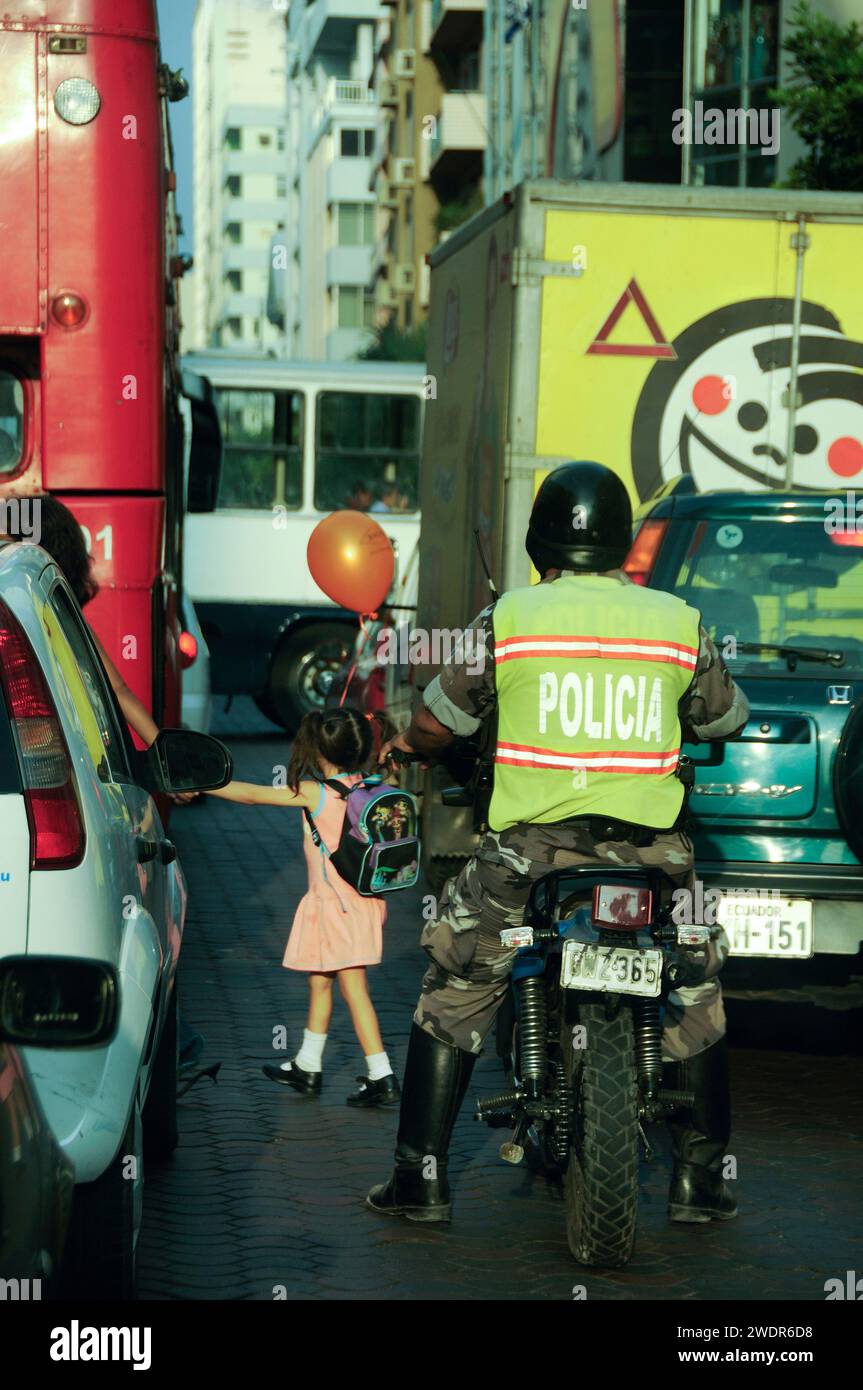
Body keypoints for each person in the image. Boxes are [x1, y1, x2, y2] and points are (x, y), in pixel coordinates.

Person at [367, 461, 751, 1225]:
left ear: (541, 540)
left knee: (456, 985)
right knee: (695, 988)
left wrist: (407, 745)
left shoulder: (508, 619)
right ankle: (699, 1182)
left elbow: (440, 724)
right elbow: (723, 719)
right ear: (620, 544)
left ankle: (423, 1179)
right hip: (652, 857)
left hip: (528, 858)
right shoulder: (676, 620)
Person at [205, 706, 402, 1108]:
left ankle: (381, 1074)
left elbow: (251, 795)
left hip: (335, 907)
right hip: (364, 902)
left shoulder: (317, 792)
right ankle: (308, 1065)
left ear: (318, 752)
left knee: (352, 985)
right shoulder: (372, 786)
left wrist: (202, 782)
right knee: (321, 980)